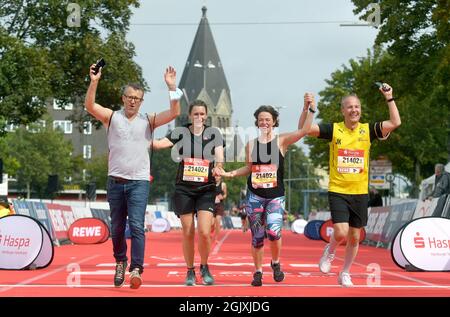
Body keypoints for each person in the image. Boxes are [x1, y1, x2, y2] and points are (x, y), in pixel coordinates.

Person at [84, 64, 182, 289]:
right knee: (117, 227)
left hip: (139, 182)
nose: (133, 101)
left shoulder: (148, 120)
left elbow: (175, 112)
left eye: (137, 98)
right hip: (115, 181)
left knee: (137, 225)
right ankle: (120, 261)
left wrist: (172, 87)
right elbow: (89, 105)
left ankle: (136, 268)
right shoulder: (111, 118)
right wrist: (94, 81)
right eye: (129, 97)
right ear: (123, 98)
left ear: (141, 101)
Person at [299, 83, 401, 287]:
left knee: (355, 237)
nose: (354, 110)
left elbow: (395, 122)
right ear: (342, 110)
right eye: (350, 107)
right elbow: (305, 129)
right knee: (341, 232)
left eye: (357, 107)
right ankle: (330, 251)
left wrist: (389, 97)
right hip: (338, 190)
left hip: (360, 192)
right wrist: (308, 108)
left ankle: (345, 272)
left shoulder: (368, 130)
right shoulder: (334, 129)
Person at [221, 94, 315, 286]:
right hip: (255, 196)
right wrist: (229, 174)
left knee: (273, 232)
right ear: (257, 122)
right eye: (261, 119)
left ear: (274, 122)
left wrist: (308, 108)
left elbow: (304, 130)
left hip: (275, 196)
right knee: (257, 238)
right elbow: (249, 168)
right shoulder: (251, 144)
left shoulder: (281, 141)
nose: (264, 122)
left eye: (268, 119)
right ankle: (257, 272)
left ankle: (276, 262)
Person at [152, 99, 224, 286]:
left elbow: (220, 157)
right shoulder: (181, 132)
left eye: (202, 114)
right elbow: (159, 145)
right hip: (184, 188)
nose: (199, 117)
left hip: (206, 189)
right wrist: (137, 137)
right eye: (195, 114)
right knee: (188, 231)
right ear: (190, 116)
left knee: (204, 232)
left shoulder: (214, 133)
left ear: (206, 116)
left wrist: (219, 167)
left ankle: (205, 266)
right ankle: (190, 270)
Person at [211, 175, 227, 244]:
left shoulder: (223, 185)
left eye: (218, 176)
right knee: (212, 223)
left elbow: (225, 194)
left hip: (219, 205)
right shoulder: (211, 184)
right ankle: (211, 233)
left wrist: (222, 197)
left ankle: (216, 238)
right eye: (215, 176)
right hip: (212, 204)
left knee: (218, 221)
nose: (216, 177)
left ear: (220, 177)